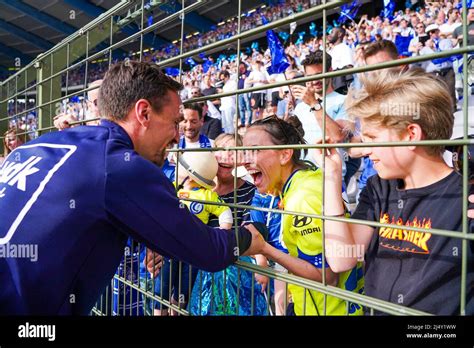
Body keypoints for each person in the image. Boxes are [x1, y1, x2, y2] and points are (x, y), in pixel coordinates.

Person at [0, 61, 265, 315]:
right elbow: (210, 251)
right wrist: (249, 236)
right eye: (174, 122)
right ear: (144, 113)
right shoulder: (119, 164)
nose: (177, 135)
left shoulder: (39, 145)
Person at [318, 68, 474, 315]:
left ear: (411, 134)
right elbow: (341, 259)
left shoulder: (467, 198)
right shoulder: (378, 188)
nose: (366, 150)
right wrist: (332, 175)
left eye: (372, 137)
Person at [242, 116, 364, 316]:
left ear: (285, 155)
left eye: (255, 150)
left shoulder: (302, 198)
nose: (245, 160)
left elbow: (326, 276)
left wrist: (265, 249)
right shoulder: (308, 178)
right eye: (244, 151)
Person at [188, 133, 268, 315]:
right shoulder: (195, 189)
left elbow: (252, 232)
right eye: (220, 150)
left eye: (233, 152)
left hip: (232, 277)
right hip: (193, 268)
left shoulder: (250, 192)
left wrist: (260, 261)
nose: (226, 156)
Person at [153, 150, 233, 316]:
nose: (176, 169)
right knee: (163, 285)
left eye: (181, 167)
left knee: (184, 287)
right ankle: (159, 311)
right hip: (170, 248)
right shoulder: (171, 189)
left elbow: (224, 211)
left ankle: (176, 310)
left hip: (192, 250)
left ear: (192, 175)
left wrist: (223, 232)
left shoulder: (207, 195)